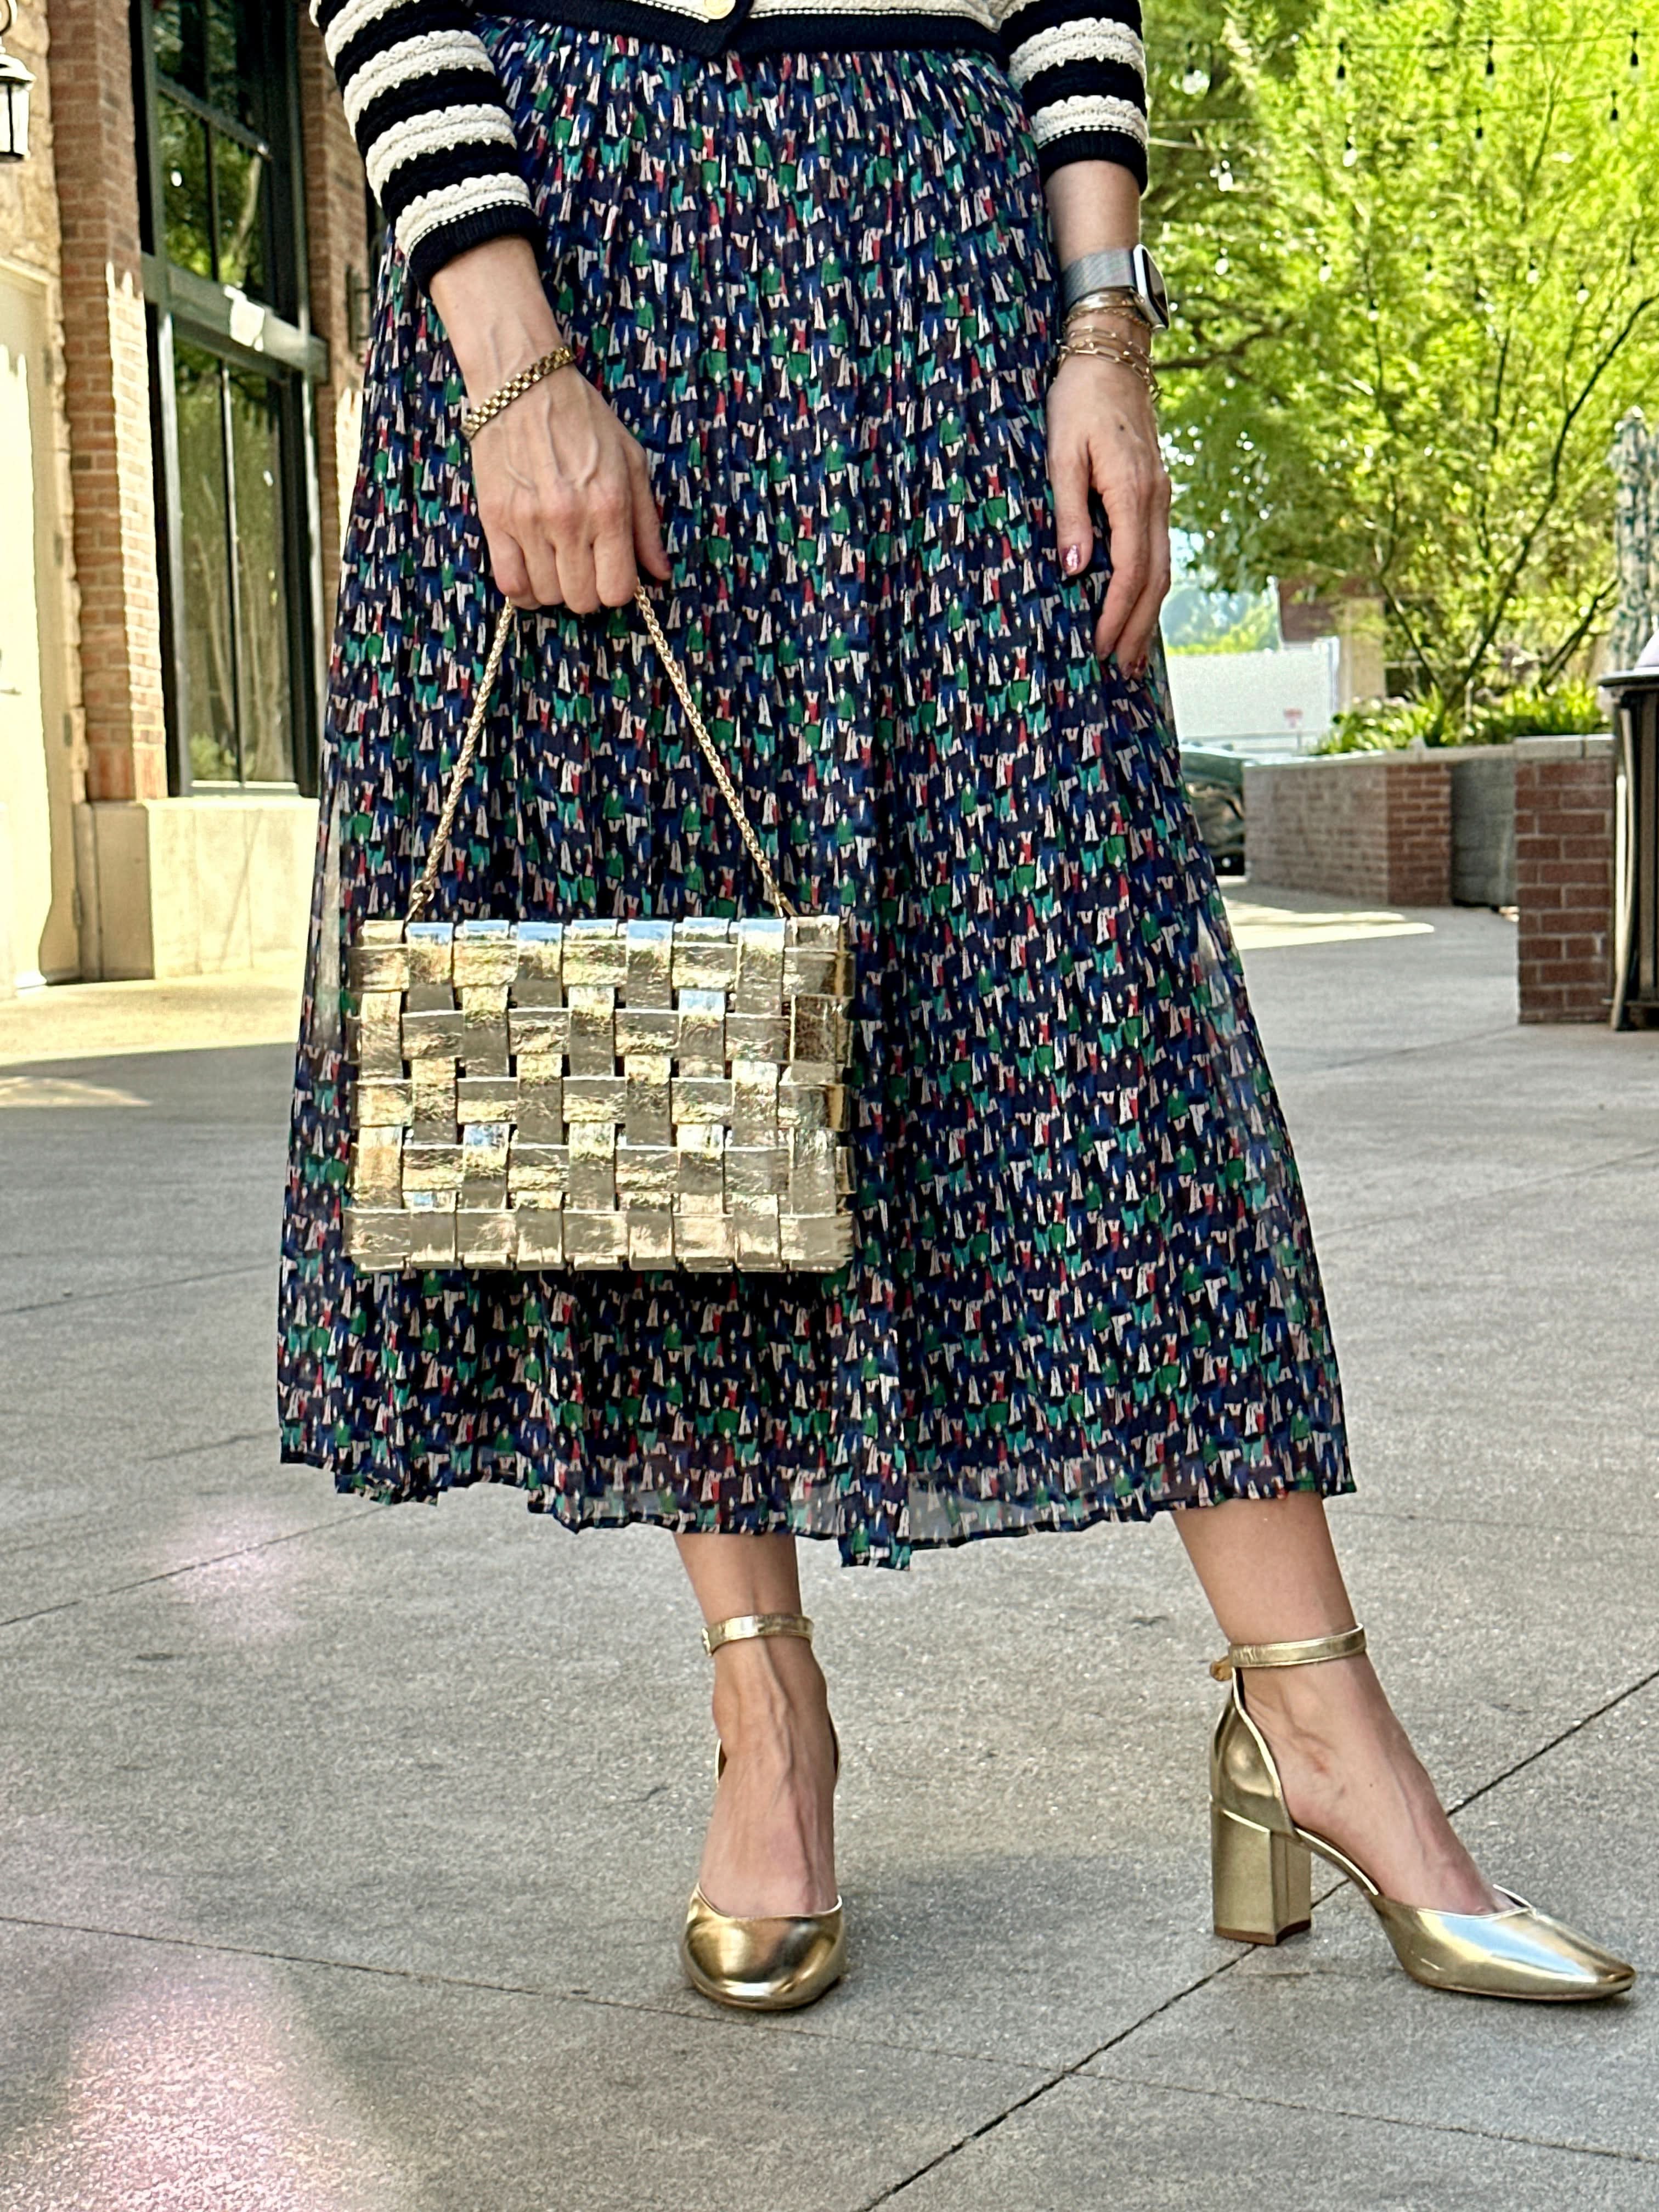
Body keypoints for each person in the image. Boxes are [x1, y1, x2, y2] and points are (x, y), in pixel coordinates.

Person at [282, 0, 1632, 2011]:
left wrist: (1106, 325)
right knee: (675, 1034)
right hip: (587, 221)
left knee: (1108, 1013)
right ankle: (769, 1723)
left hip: (942, 236)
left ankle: (1316, 1720)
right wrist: (501, 337)